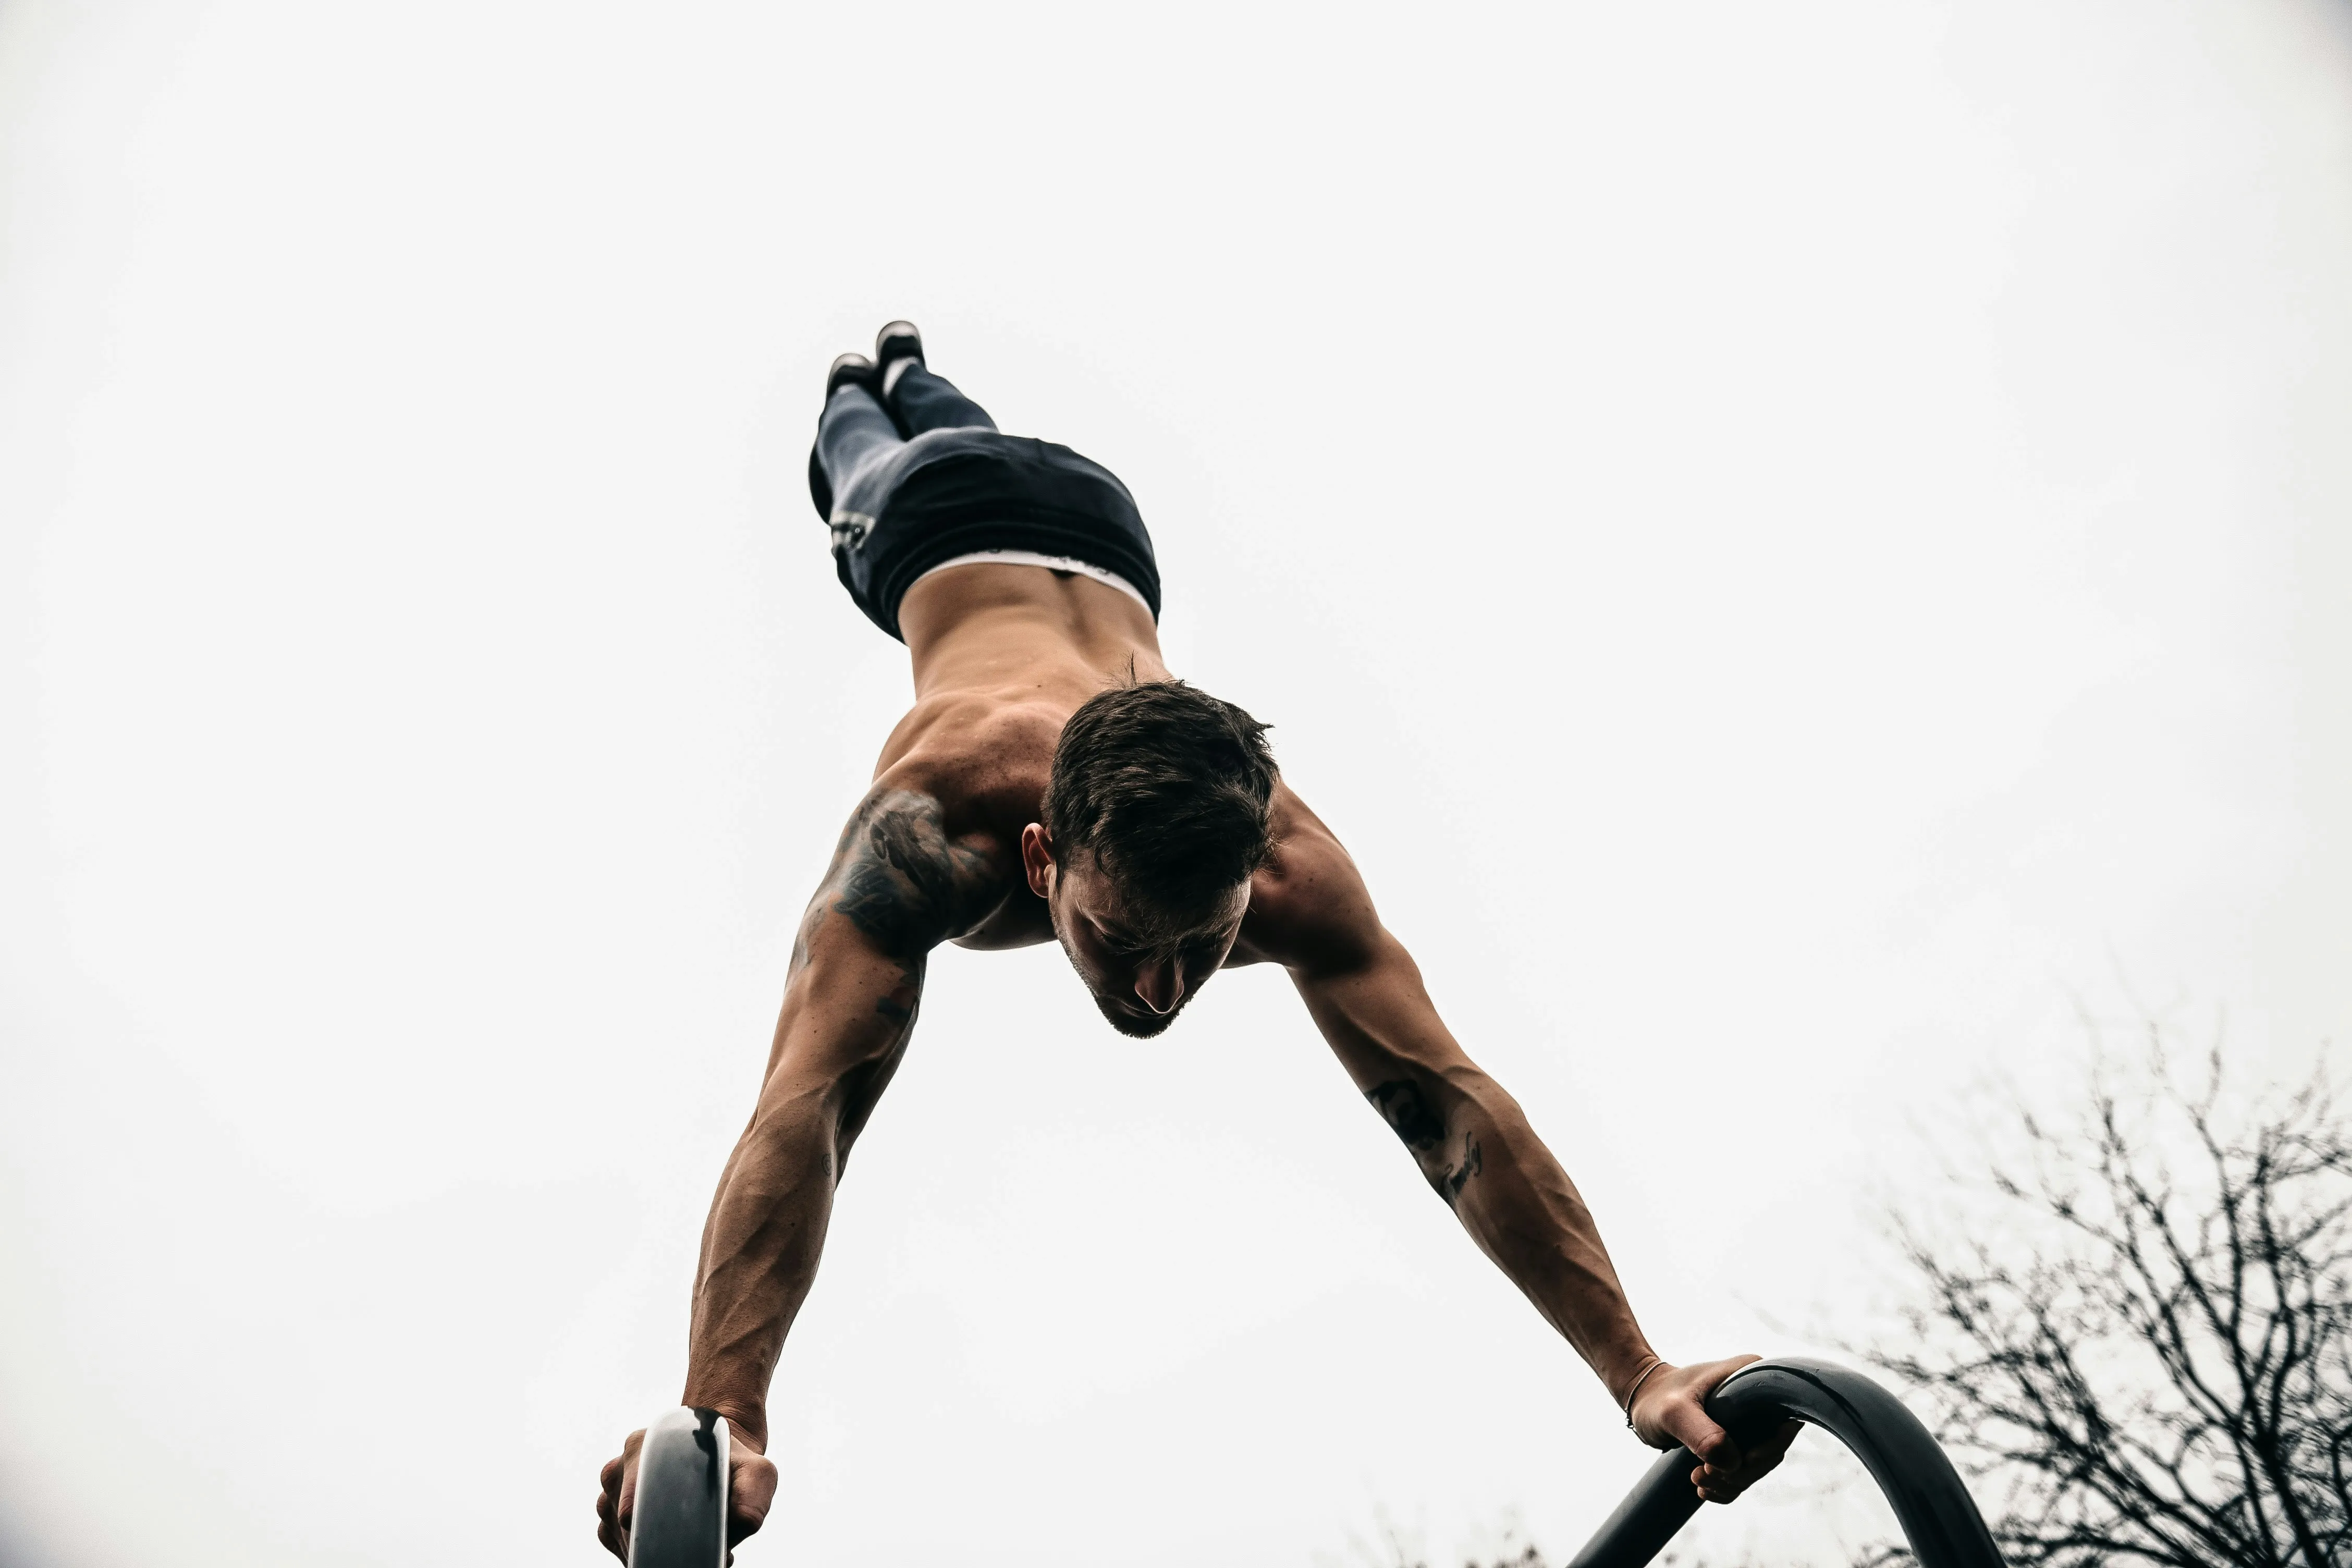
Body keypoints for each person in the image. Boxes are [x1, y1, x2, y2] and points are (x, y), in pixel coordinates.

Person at [595, 323, 1799, 1560]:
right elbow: (809, 1104)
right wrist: (721, 1417)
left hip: (1113, 538)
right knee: (861, 465)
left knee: (958, 432)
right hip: (938, 518)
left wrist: (1639, 1369)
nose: (1164, 988)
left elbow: (1454, 1109)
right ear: (1037, 859)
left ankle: (909, 373)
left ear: (1252, 874)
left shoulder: (1288, 860)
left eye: (1203, 942)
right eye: (1121, 941)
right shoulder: (932, 822)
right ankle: (869, 383)